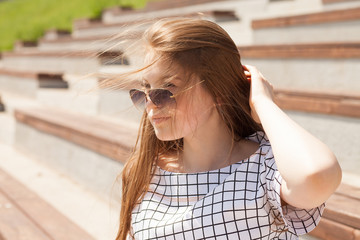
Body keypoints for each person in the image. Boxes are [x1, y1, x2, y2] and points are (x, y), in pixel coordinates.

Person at [115, 17, 342, 240]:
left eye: (168, 87)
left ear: (218, 92)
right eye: (145, 90)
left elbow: (317, 176)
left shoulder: (265, 168)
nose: (151, 105)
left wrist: (263, 103)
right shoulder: (144, 170)